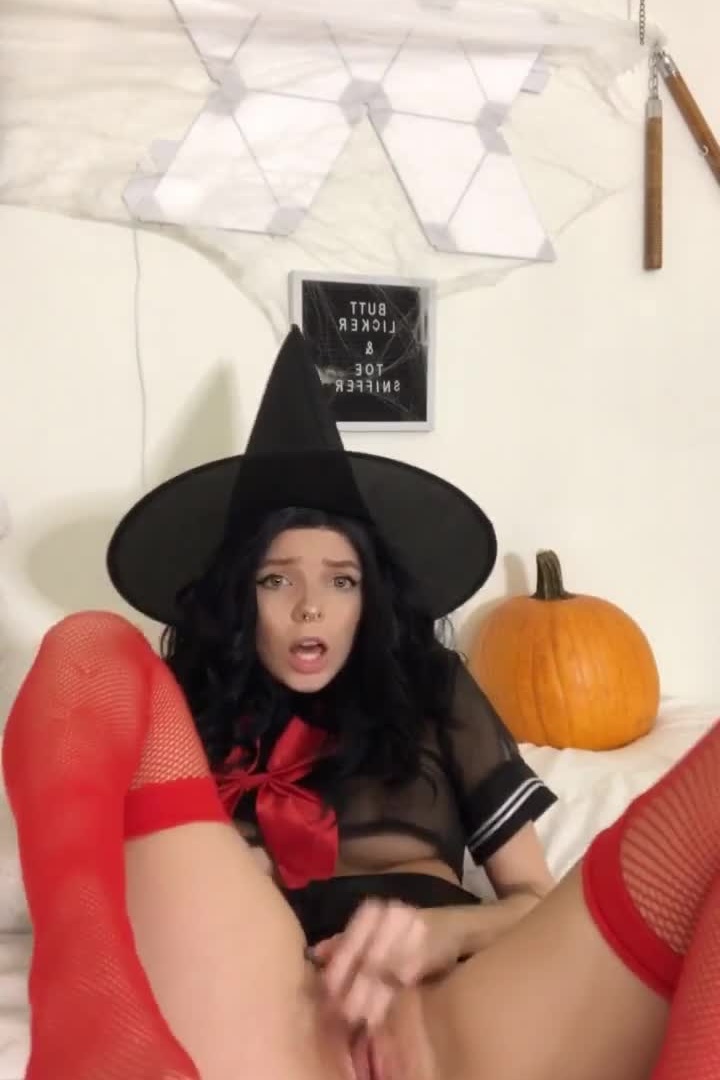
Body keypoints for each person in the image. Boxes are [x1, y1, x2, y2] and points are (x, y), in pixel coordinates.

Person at [3, 327, 719, 1080]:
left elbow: (534, 899)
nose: (310, 607)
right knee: (90, 643)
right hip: (273, 1008)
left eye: (341, 580)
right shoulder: (186, 711)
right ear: (240, 595)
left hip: (447, 1016)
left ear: (370, 596)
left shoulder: (433, 688)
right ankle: (85, 1021)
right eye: (276, 579)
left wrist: (443, 934)